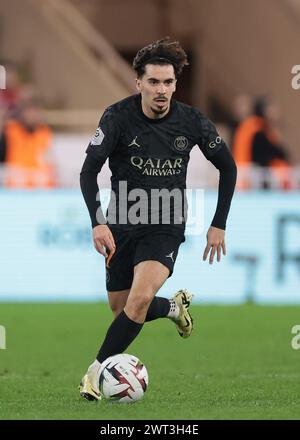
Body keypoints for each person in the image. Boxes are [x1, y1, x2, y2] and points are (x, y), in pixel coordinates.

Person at [79, 37, 237, 400]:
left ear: (175, 84)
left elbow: (227, 168)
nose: (161, 90)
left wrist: (219, 223)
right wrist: (98, 221)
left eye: (168, 82)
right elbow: (89, 173)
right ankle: (172, 307)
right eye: (153, 82)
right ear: (139, 84)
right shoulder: (117, 117)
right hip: (120, 224)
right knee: (124, 310)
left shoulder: (192, 121)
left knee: (136, 302)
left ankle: (93, 373)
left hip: (165, 225)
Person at [232, 96, 290, 190]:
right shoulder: (256, 129)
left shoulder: (251, 125)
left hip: (244, 173)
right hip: (248, 177)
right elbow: (274, 153)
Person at [0, 98, 55, 188]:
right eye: (29, 112)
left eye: (35, 112)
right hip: (16, 181)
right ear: (22, 113)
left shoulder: (44, 132)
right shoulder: (11, 130)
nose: (32, 116)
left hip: (38, 183)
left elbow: (48, 159)